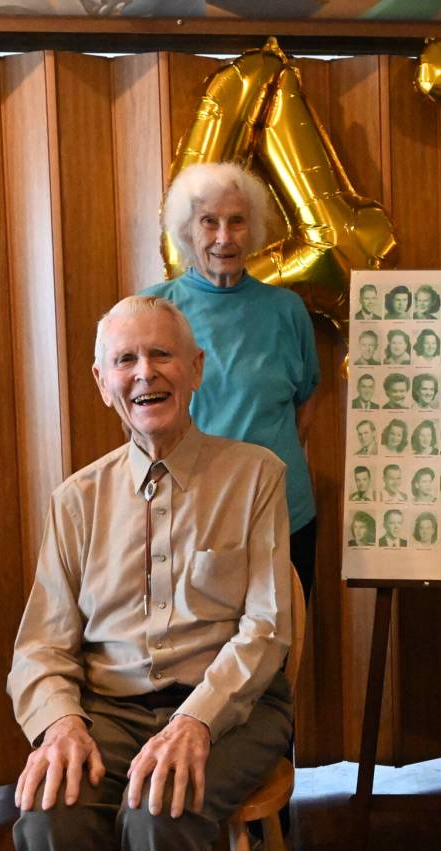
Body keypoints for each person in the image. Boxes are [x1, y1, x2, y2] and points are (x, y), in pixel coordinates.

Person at [8, 296, 293, 851]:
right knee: (48, 815)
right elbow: (40, 645)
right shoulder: (76, 501)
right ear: (102, 380)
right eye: (125, 360)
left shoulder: (256, 475)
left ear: (195, 369)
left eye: (162, 354)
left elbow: (266, 628)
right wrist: (62, 723)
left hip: (233, 710)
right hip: (108, 712)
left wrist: (195, 720)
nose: (145, 373)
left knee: (160, 811)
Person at [144, 162, 320, 600]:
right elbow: (138, 411)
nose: (224, 237)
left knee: (280, 652)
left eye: (237, 221)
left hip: (283, 512)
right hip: (190, 513)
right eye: (209, 222)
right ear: (187, 230)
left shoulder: (287, 310)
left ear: (254, 228)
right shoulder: (154, 311)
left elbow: (305, 405)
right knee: (197, 650)